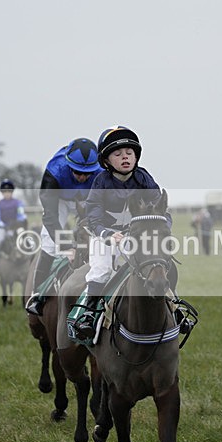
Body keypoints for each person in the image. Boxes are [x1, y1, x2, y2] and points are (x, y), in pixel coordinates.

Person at [73, 125, 171, 339]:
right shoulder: (101, 182)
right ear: (107, 161)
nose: (125, 157)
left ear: (136, 156)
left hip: (136, 237)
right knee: (101, 268)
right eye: (117, 154)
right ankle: (89, 315)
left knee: (159, 262)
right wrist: (108, 234)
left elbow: (161, 210)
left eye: (129, 153)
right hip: (105, 237)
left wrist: (163, 231)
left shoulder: (144, 178)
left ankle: (174, 308)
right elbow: (93, 216)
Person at [26, 138, 103, 316]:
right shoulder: (54, 171)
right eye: (77, 173)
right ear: (69, 166)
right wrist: (67, 247)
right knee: (49, 242)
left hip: (88, 199)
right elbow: (50, 216)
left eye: (87, 173)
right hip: (59, 199)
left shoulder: (100, 172)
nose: (83, 177)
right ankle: (37, 295)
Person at [0, 179, 27, 276]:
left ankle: (31, 261)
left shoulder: (18, 203)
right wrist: (2, 225)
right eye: (5, 192)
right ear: (2, 193)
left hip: (16, 227)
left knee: (28, 240)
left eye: (9, 191)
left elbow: (21, 215)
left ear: (12, 192)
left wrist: (18, 223)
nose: (7, 193)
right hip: (3, 228)